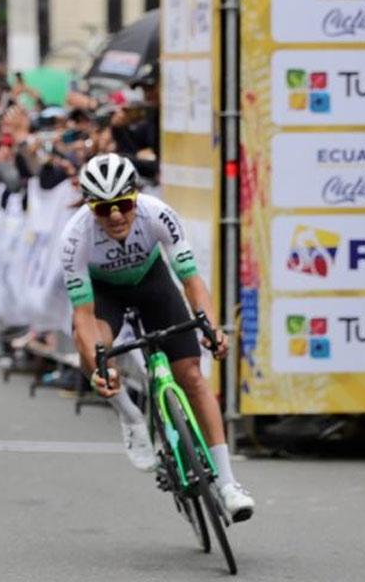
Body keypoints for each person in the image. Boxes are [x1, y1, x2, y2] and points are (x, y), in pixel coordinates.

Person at [60, 152, 255, 522]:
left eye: (123, 204)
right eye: (104, 209)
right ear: (90, 207)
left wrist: (211, 328)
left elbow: (192, 282)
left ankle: (228, 484)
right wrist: (99, 363)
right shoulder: (74, 239)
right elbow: (84, 318)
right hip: (106, 294)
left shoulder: (157, 214)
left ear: (135, 196)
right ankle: (131, 415)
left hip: (153, 283)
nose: (115, 215)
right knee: (96, 351)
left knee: (193, 378)